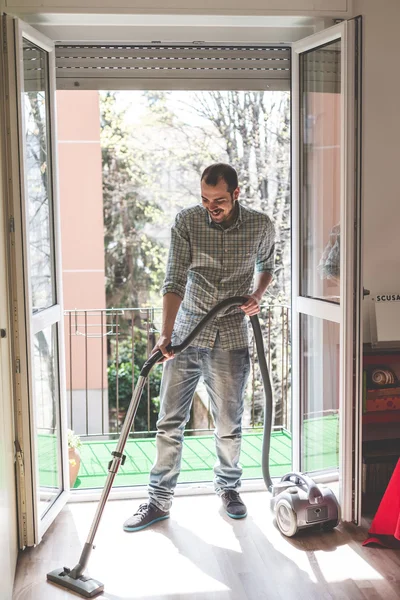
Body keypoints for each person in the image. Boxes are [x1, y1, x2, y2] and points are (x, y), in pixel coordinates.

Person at [123, 163, 275, 532]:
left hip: (232, 336)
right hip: (188, 333)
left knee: (228, 424)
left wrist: (256, 294)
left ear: (236, 194)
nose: (211, 206)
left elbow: (267, 265)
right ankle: (158, 501)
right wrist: (166, 334)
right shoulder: (188, 221)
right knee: (169, 422)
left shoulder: (260, 225)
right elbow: (174, 278)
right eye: (205, 199)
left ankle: (228, 489)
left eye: (219, 200)